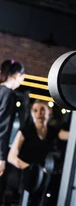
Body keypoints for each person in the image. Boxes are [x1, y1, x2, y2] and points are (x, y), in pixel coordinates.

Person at [8, 100, 69, 204]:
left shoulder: (52, 131)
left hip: (42, 179)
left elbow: (71, 135)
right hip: (24, 178)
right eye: (35, 110)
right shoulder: (26, 130)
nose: (39, 113)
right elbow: (11, 157)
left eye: (42, 110)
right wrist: (30, 168)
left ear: (49, 111)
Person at [0, 59, 25, 203]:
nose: (22, 81)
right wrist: (1, 158)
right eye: (22, 77)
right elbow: (3, 127)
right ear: (16, 75)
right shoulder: (8, 94)